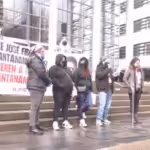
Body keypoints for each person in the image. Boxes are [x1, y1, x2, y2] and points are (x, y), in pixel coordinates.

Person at [26, 44, 51, 135]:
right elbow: (41, 73)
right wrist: (48, 81)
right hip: (36, 85)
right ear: (39, 51)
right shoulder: (35, 59)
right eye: (43, 50)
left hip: (38, 85)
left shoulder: (37, 59)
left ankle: (36, 124)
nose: (44, 52)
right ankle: (32, 126)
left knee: (37, 107)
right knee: (35, 107)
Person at [49, 54, 73, 130]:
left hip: (68, 91)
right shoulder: (53, 68)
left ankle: (65, 121)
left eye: (64, 59)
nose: (63, 61)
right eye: (62, 59)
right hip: (58, 91)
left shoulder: (68, 69)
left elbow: (71, 79)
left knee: (66, 106)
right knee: (58, 106)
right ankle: (55, 122)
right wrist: (59, 84)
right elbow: (51, 78)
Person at [123, 57, 144, 124]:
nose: (138, 64)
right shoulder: (130, 69)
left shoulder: (140, 70)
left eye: (139, 62)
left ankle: (135, 116)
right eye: (137, 63)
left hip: (139, 89)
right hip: (132, 90)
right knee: (133, 104)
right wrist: (129, 86)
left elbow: (141, 79)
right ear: (133, 63)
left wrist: (141, 86)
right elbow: (124, 78)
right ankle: (134, 117)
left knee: (137, 104)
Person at [73, 57, 92, 127]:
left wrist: (91, 89)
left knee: (88, 104)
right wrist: (76, 90)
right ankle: (81, 120)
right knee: (81, 105)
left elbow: (89, 80)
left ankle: (81, 111)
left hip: (88, 90)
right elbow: (75, 81)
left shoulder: (87, 71)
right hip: (80, 90)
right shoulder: (77, 71)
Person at [95, 57, 114, 126]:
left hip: (109, 88)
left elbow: (111, 77)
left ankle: (104, 118)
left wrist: (114, 76)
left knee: (108, 104)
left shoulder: (109, 69)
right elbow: (100, 75)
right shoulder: (99, 67)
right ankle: (98, 119)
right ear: (103, 61)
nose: (108, 62)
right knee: (102, 104)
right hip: (102, 88)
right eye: (107, 61)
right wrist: (108, 69)